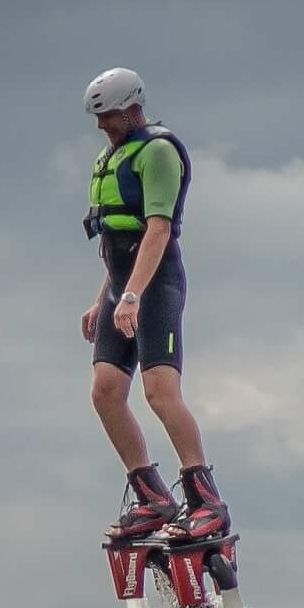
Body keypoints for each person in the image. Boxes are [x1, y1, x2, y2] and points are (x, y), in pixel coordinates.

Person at [79, 68, 230, 545]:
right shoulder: (111, 156)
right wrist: (102, 296)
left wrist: (132, 296)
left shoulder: (158, 152)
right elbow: (117, 242)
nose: (101, 125)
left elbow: (157, 231)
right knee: (105, 392)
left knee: (160, 393)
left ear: (131, 108)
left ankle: (207, 503)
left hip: (156, 286)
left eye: (107, 115)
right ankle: (151, 497)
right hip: (122, 286)